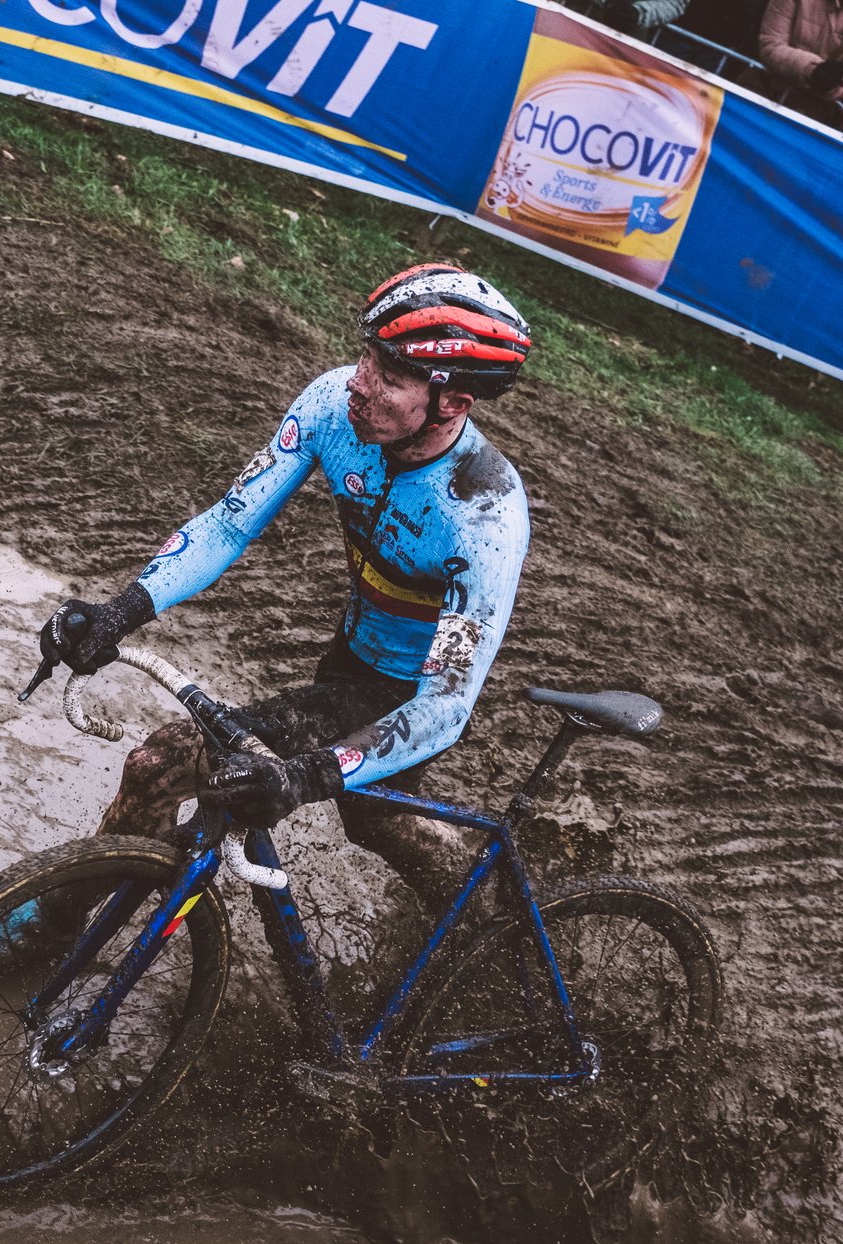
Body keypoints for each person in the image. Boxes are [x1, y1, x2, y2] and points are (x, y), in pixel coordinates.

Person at [34, 264, 532, 915]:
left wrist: (305, 776)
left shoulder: (484, 515)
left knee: (165, 765)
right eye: (367, 356)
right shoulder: (331, 407)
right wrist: (121, 611)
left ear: (453, 404)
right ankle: (487, 916)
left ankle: (48, 934)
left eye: (389, 376)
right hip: (347, 663)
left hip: (407, 701)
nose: (359, 382)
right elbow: (228, 523)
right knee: (373, 817)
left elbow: (446, 704)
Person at [758, 0, 843, 121]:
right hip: (765, 92)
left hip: (813, 111)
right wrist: (811, 69)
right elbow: (771, 45)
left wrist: (834, 84)